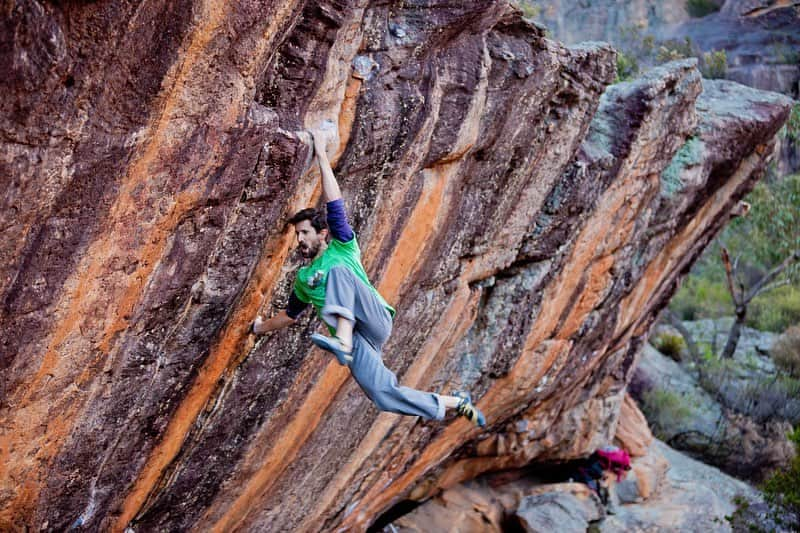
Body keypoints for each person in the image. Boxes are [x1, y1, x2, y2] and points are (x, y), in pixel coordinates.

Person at [252, 127, 485, 427]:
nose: (300, 240)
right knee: (380, 394)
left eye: (304, 233)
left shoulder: (342, 248)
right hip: (361, 341)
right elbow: (289, 315)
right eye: (297, 235)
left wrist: (322, 153)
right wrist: (258, 328)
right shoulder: (303, 277)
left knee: (337, 274)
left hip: (374, 321)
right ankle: (454, 403)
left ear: (322, 233)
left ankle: (344, 339)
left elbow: (334, 201)